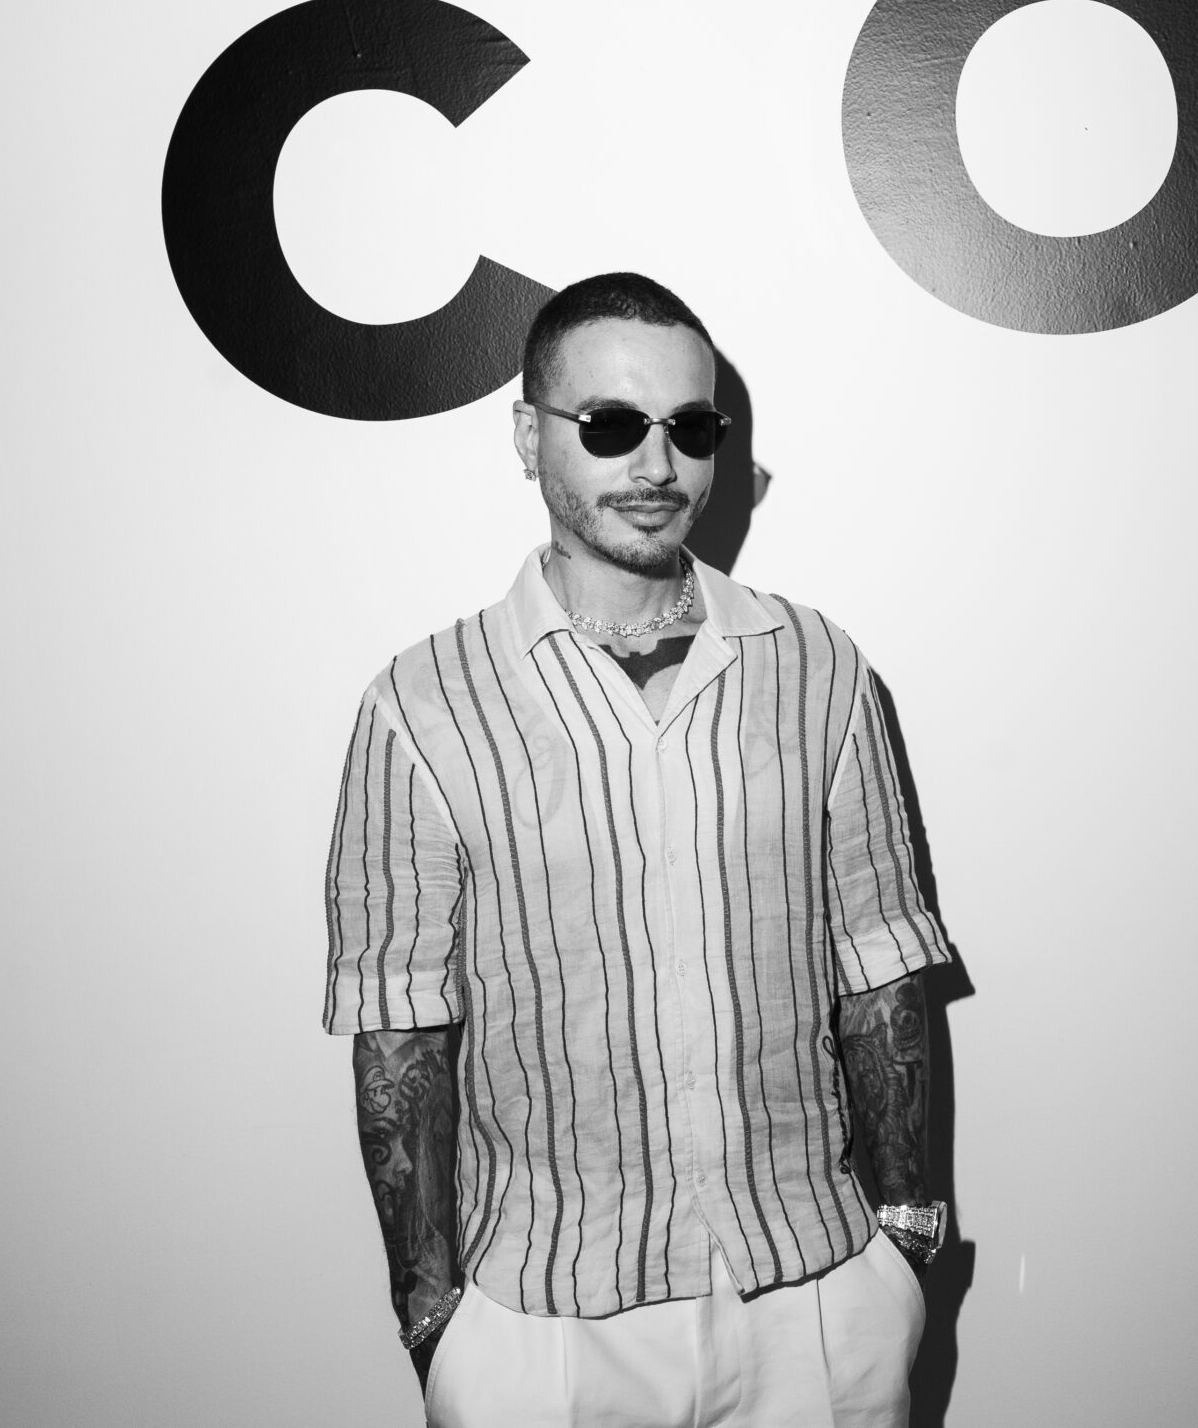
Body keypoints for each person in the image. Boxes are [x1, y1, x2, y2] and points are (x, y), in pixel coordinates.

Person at [321, 272, 954, 1427]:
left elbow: (882, 967)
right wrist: (433, 1319)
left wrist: (905, 1240)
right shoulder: (421, 705)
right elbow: (398, 1028)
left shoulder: (817, 666)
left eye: (690, 428)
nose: (657, 466)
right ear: (529, 435)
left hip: (816, 1307)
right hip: (545, 1330)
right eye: (611, 425)